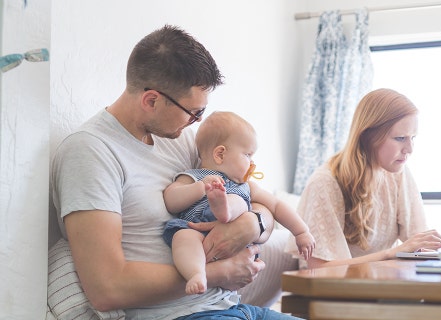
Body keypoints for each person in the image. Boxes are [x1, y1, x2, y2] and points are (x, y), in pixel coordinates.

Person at [51, 24, 302, 319]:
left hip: (230, 307)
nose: (196, 122)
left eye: (202, 113)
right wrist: (220, 272)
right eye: (192, 112)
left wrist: (253, 224)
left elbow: (252, 194)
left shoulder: (181, 140)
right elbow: (107, 288)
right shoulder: (91, 153)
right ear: (151, 100)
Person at [287, 88, 441, 269]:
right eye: (400, 138)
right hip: (333, 289)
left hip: (378, 283)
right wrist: (389, 254)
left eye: (413, 138)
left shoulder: (398, 173)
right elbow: (318, 267)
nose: (409, 149)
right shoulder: (326, 182)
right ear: (368, 137)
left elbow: (419, 239)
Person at [163, 111, 315, 295]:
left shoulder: (247, 186)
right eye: (248, 155)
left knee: (239, 201)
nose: (252, 164)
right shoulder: (194, 176)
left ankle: (224, 208)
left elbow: (276, 206)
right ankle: (197, 274)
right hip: (197, 233)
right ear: (220, 154)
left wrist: (301, 231)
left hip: (233, 247)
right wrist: (200, 188)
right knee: (182, 237)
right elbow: (171, 200)